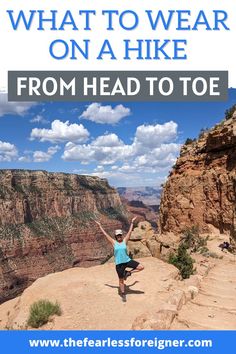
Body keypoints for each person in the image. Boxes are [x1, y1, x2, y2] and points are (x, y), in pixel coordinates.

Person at [95, 217, 144, 302]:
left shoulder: (125, 241)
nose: (119, 237)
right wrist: (100, 226)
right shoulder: (114, 242)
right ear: (116, 236)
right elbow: (105, 235)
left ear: (122, 235)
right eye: (118, 236)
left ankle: (128, 273)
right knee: (121, 280)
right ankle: (123, 293)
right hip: (119, 264)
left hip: (127, 261)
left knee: (141, 267)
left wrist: (132, 222)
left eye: (120, 235)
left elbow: (129, 232)